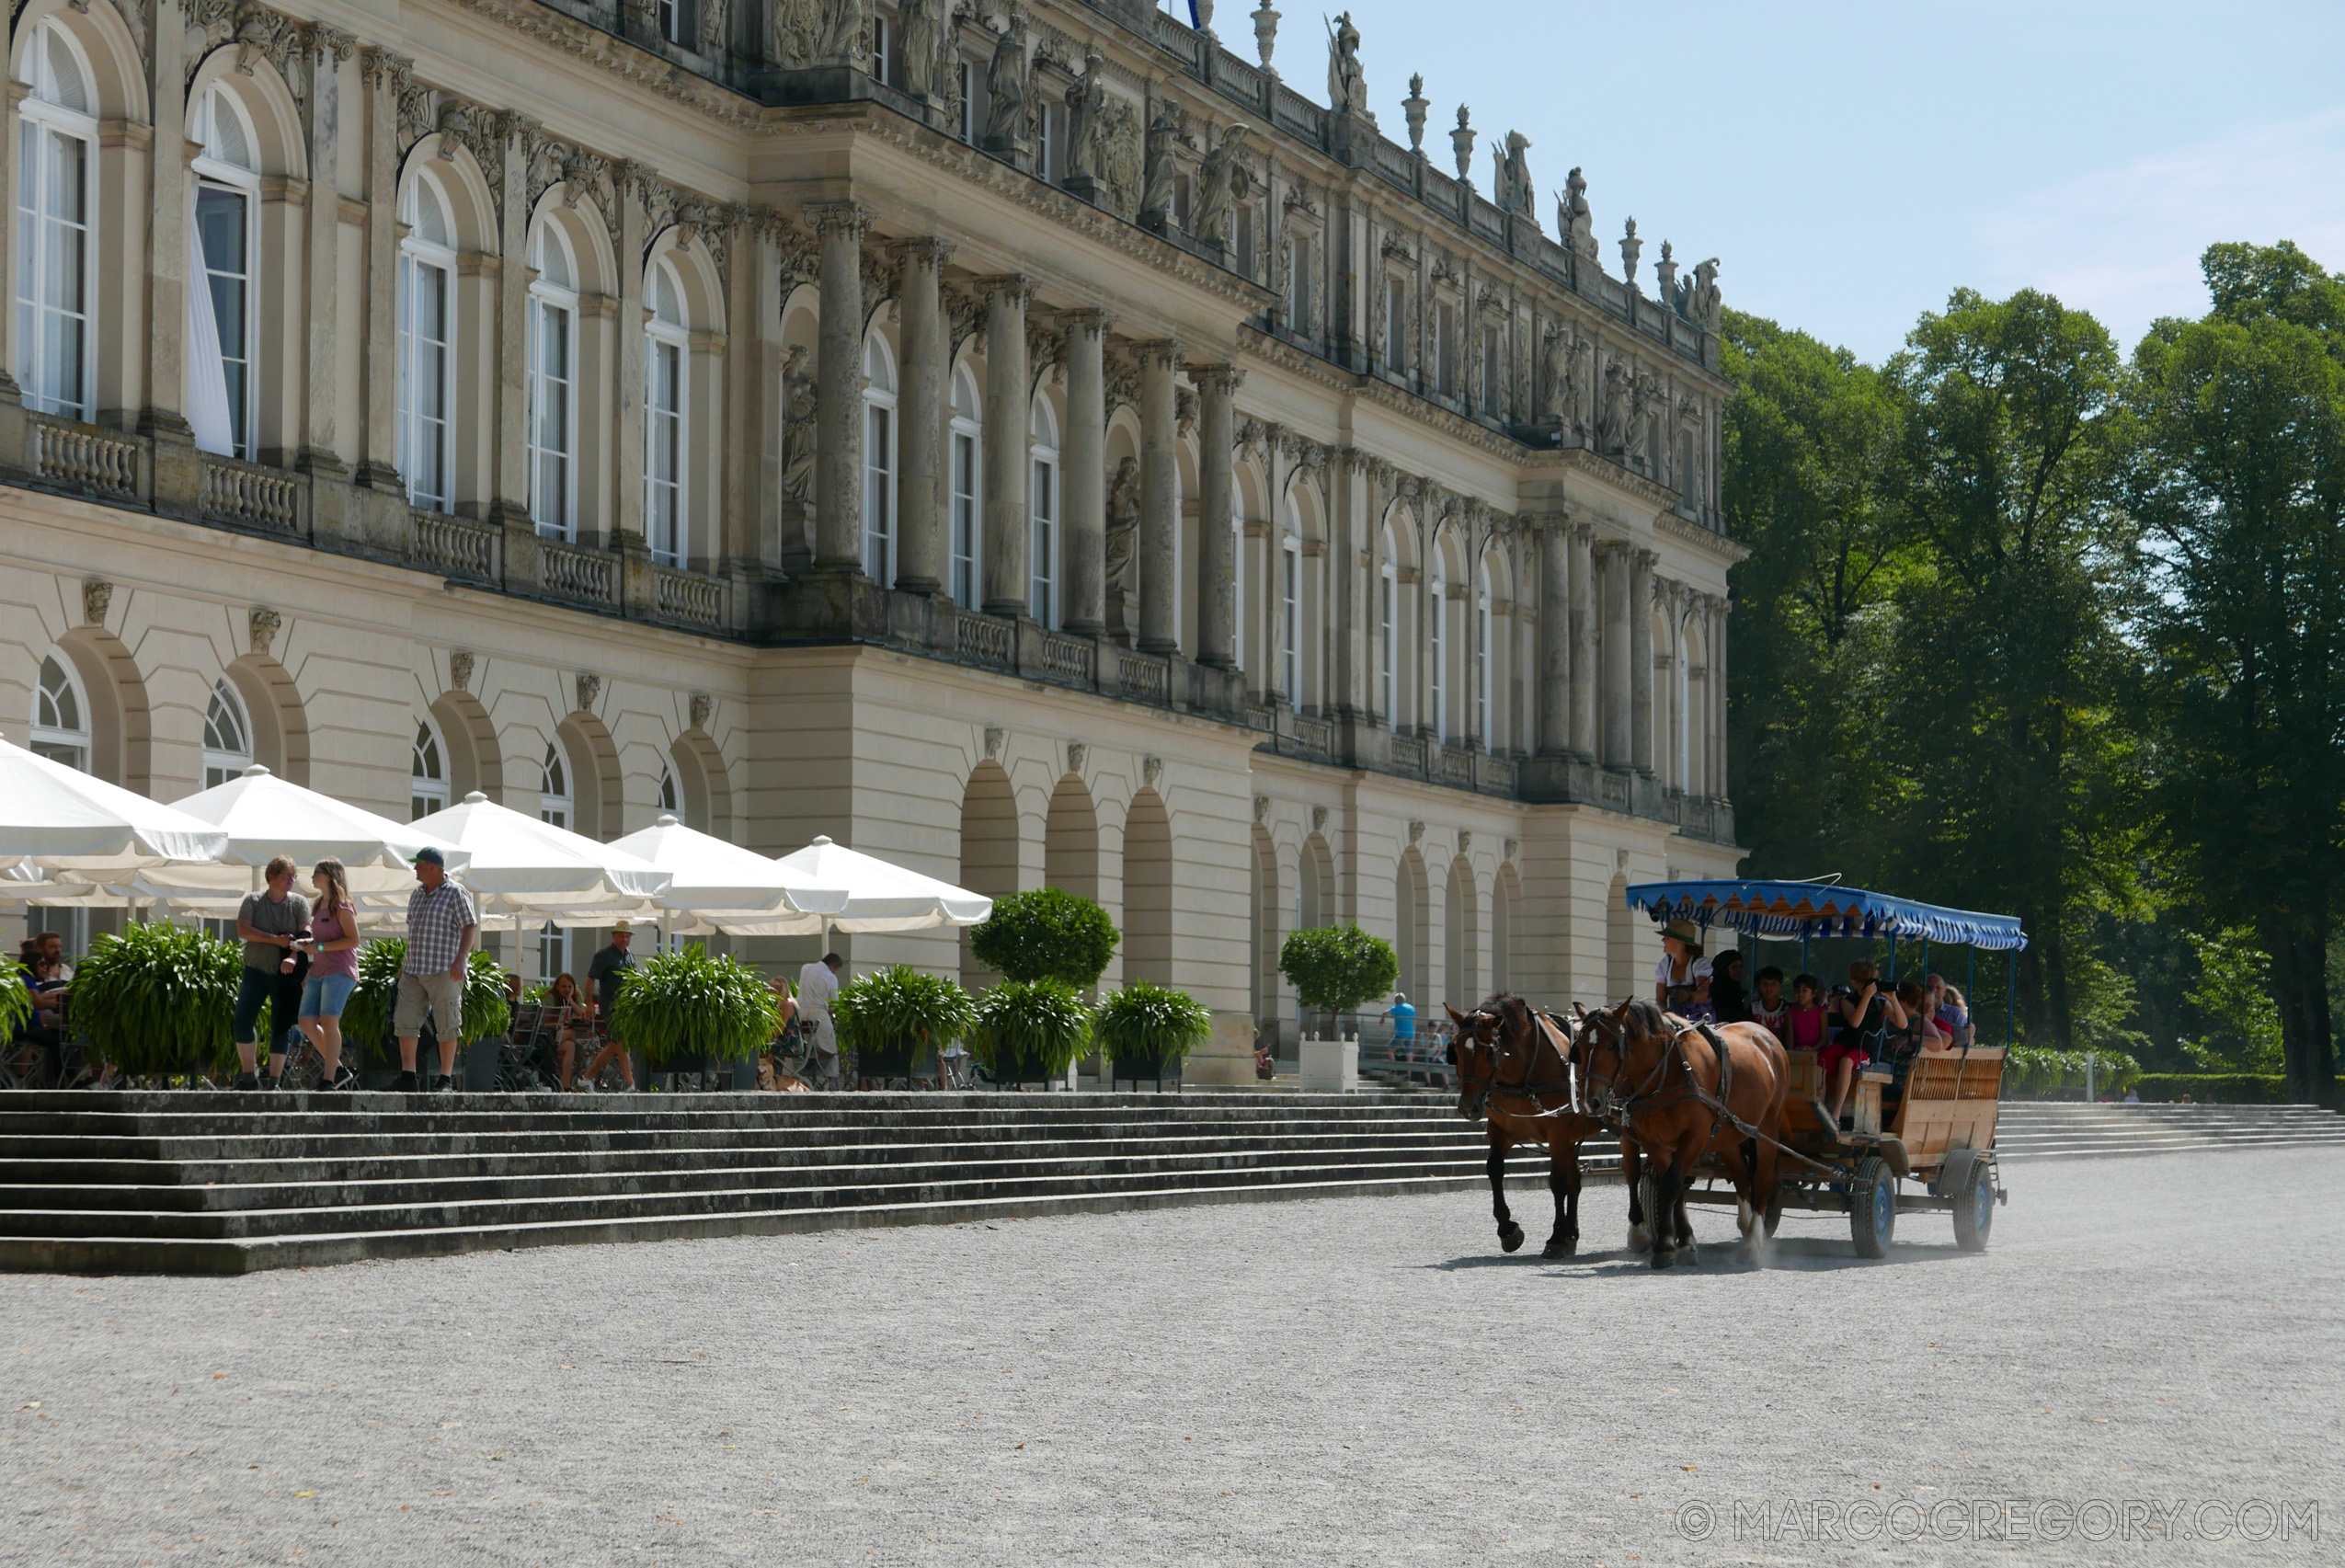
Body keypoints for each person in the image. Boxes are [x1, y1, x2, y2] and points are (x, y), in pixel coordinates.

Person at [394, 846, 476, 1093]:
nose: (414, 869)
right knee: (405, 1021)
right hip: (413, 969)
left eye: (418, 865)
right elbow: (414, 931)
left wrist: (461, 959)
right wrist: (403, 965)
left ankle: (445, 1079)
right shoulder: (416, 894)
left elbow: (469, 926)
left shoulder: (456, 893)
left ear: (433, 867)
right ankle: (408, 1077)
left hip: (444, 969)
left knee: (447, 1023)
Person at [233, 855, 311, 1091]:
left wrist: (293, 953)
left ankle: (275, 1082)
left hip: (286, 973)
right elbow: (244, 930)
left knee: (282, 1025)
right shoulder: (253, 901)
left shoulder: (299, 903)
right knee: (242, 1021)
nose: (291, 879)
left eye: (293, 875)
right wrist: (275, 940)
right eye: (287, 875)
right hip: (255, 969)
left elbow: (305, 934)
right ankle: (249, 1078)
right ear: (271, 877)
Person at [294, 858, 362, 1091]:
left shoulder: (342, 906)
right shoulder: (318, 905)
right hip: (320, 969)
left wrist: (319, 948)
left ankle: (329, 1079)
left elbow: (353, 940)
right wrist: (309, 943)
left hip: (340, 970)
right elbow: (324, 939)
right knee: (305, 1021)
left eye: (317, 872)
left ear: (330, 877)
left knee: (329, 1021)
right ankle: (340, 1070)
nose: (312, 876)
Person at [1823, 960, 1905, 1127]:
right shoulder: (1846, 1000)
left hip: (1864, 1049)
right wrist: (1865, 997)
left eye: (1873, 981)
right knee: (1820, 1060)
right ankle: (1818, 1105)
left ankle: (1835, 1114)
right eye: (1866, 982)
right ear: (1854, 982)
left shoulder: (1881, 1003)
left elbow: (1903, 1024)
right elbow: (1855, 1021)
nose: (1871, 986)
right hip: (1845, 1042)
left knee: (1846, 1062)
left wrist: (1893, 999)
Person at [583, 925, 638, 1091]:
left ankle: (586, 1078)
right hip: (611, 1005)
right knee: (620, 1043)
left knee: (616, 1045)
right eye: (622, 936)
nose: (625, 939)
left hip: (626, 1007)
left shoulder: (630, 956)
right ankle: (631, 1084)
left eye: (628, 936)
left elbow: (634, 981)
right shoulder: (604, 955)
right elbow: (589, 980)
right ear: (614, 936)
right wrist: (590, 1005)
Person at [541, 972, 597, 1091]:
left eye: (569, 987)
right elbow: (543, 1022)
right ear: (557, 986)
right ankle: (570, 1080)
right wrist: (559, 1025)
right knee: (572, 1034)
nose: (566, 989)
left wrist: (570, 1000)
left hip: (563, 1038)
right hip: (550, 1035)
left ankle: (565, 1085)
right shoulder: (550, 997)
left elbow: (583, 1015)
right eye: (564, 986)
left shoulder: (574, 997)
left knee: (570, 1046)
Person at [795, 952, 843, 1089]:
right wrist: (831, 1013)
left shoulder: (805, 968)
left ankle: (791, 1075)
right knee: (831, 1049)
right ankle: (832, 1081)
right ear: (833, 966)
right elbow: (833, 1004)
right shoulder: (831, 977)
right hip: (819, 1014)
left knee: (800, 1047)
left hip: (801, 1013)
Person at [1652, 920, 1712, 1019]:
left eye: (1667, 937)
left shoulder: (1699, 963)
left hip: (1700, 1017)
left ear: (1679, 941)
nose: (1663, 940)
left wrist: (1689, 996)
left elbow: (1703, 993)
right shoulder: (1665, 964)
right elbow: (1660, 1000)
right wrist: (1666, 1016)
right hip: (1674, 1018)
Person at [1783, 974, 1830, 1054]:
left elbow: (1824, 1037)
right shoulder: (1791, 1012)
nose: (1800, 994)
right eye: (1798, 991)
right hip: (1797, 1052)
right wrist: (1791, 1052)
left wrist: (1813, 1049)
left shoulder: (1821, 1012)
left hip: (1817, 1052)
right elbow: (1790, 1036)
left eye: (1804, 991)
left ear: (1814, 993)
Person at [1748, 966, 1790, 1039]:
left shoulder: (1788, 1009)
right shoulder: (1753, 1008)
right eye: (1765, 984)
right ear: (1759, 987)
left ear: (1781, 987)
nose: (1769, 988)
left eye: (1773, 984)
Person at [1710, 949, 1750, 1024]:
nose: (1739, 971)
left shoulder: (1739, 992)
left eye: (1741, 966)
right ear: (1724, 970)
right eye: (1734, 967)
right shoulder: (1713, 994)